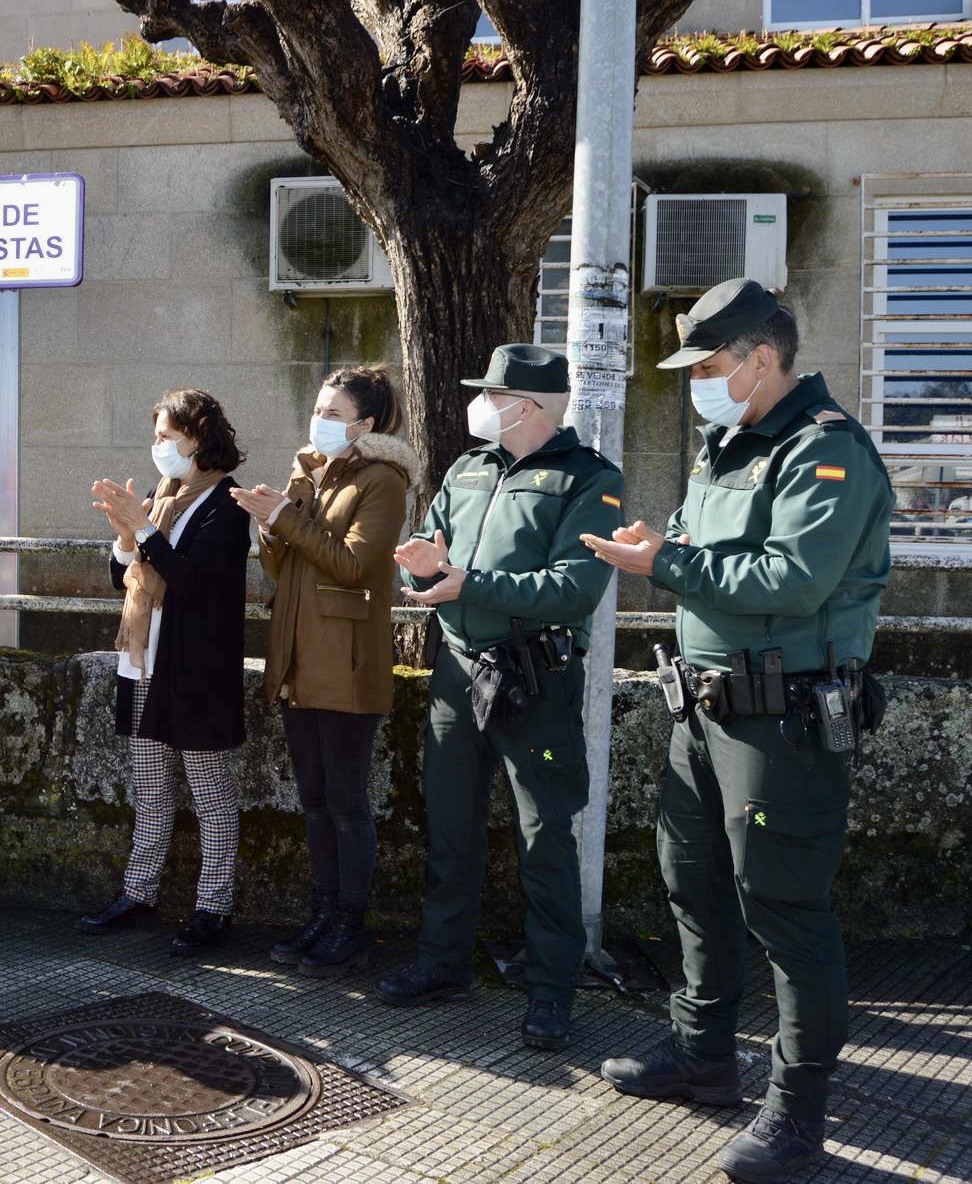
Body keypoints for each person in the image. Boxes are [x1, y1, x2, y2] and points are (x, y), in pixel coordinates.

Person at [588, 279, 891, 1183]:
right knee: (693, 884)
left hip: (783, 719)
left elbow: (792, 580)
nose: (697, 383)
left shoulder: (825, 451)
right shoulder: (729, 444)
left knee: (786, 910)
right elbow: (700, 547)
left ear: (763, 359)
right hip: (707, 708)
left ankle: (797, 1117)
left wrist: (666, 561)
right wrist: (663, 546)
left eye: (711, 364)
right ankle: (702, 1054)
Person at [382, 344, 623, 1053]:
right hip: (459, 671)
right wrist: (424, 564)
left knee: (545, 836)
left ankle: (552, 991)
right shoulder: (467, 468)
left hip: (536, 679)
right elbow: (432, 541)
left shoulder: (591, 478)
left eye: (493, 392)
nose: (481, 403)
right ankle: (442, 963)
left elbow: (575, 587)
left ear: (534, 406)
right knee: (450, 827)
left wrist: (469, 584)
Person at [232, 366, 416, 975]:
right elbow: (284, 569)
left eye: (333, 413)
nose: (320, 421)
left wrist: (287, 516)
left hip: (346, 662)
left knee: (345, 801)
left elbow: (356, 565)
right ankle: (321, 911)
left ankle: (349, 924)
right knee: (312, 799)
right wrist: (271, 523)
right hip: (298, 657)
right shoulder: (310, 472)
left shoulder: (383, 480)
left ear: (365, 424)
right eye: (318, 409)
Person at [77, 388, 251, 956]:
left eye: (166, 437)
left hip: (196, 665)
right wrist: (128, 534)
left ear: (198, 438)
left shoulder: (227, 504)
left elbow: (193, 581)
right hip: (143, 657)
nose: (157, 448)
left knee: (210, 791)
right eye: (154, 436)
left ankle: (213, 906)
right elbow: (120, 576)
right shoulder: (161, 496)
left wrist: (144, 532)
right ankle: (138, 891)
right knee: (150, 788)